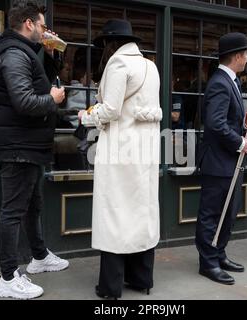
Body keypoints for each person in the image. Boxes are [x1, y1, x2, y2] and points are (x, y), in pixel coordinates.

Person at [0, 0, 69, 299]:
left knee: (33, 206)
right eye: (43, 25)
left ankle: (39, 256)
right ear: (29, 24)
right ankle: (7, 278)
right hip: (17, 144)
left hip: (26, 144)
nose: (46, 30)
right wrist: (54, 100)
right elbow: (24, 101)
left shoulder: (22, 51)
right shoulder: (12, 54)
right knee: (13, 212)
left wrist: (50, 54)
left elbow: (35, 84)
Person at [78, 19, 162, 299]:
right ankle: (141, 278)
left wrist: (85, 116)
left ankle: (110, 287)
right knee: (142, 212)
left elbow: (111, 110)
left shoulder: (117, 64)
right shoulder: (150, 66)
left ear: (110, 43)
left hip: (119, 150)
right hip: (145, 152)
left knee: (114, 214)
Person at [195, 32, 247, 285]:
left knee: (228, 213)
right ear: (238, 56)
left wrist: (244, 118)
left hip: (229, 162)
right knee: (212, 214)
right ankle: (208, 263)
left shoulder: (230, 81)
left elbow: (225, 118)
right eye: (246, 55)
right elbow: (215, 123)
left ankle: (218, 253)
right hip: (219, 162)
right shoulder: (220, 81)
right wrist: (240, 141)